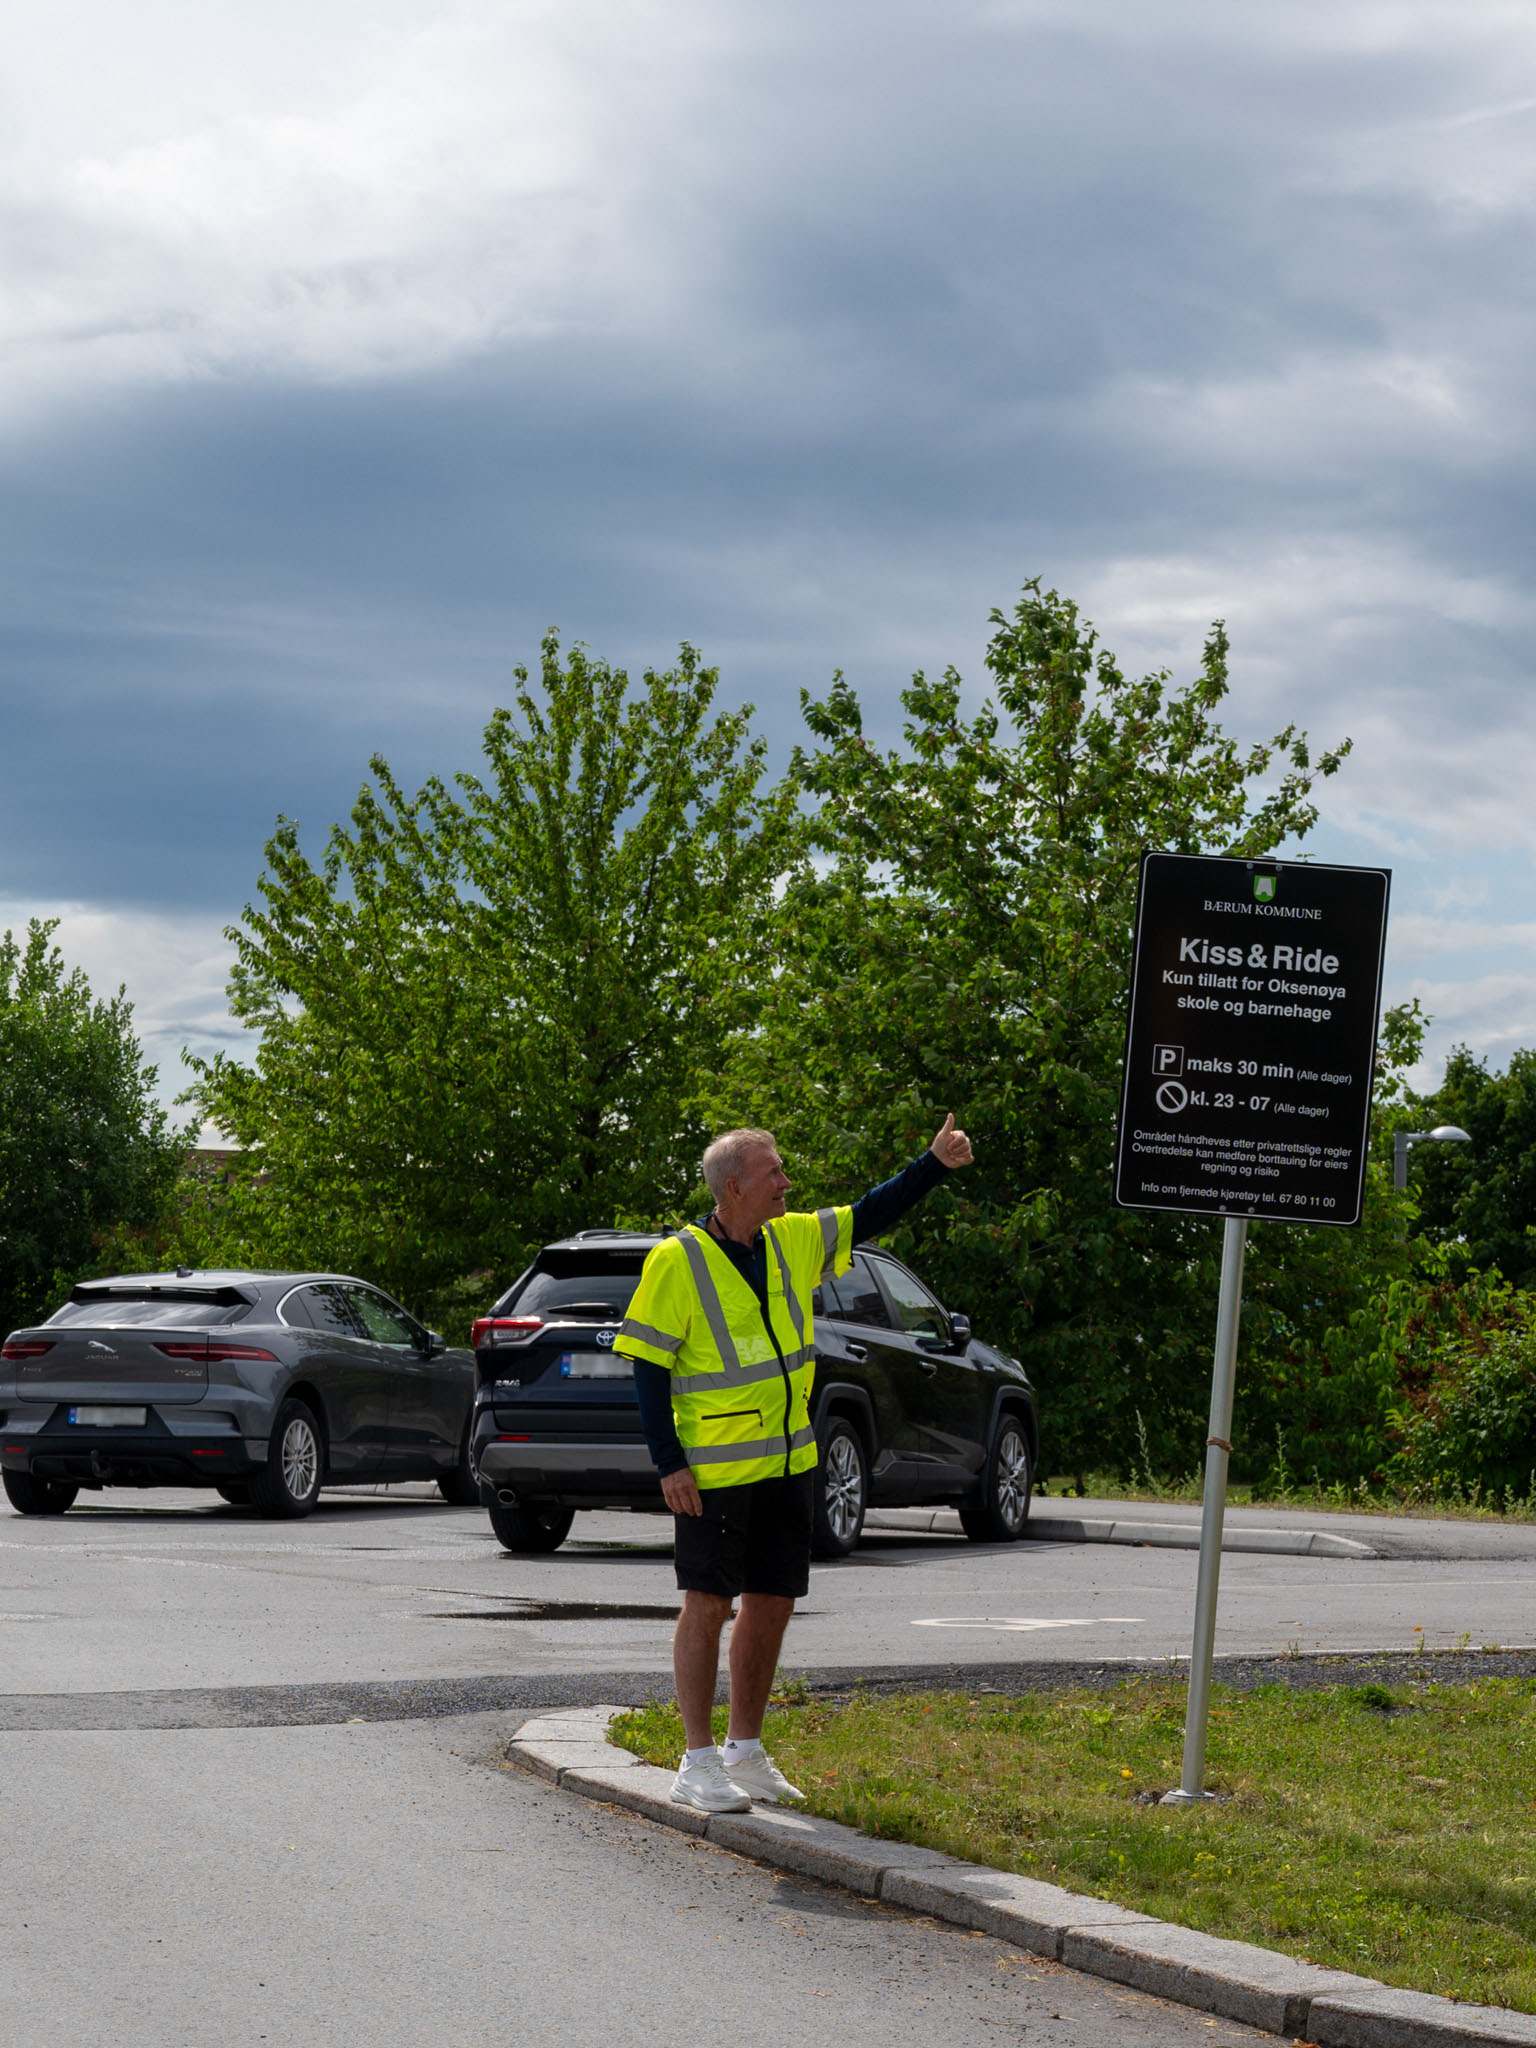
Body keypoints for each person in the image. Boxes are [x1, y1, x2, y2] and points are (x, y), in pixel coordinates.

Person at [615, 1116, 975, 1812]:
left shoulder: (790, 1239)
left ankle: (743, 1753)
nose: (787, 1182)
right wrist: (670, 1464)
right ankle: (695, 1761)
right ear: (734, 1186)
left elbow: (871, 1211)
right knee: (708, 1605)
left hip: (789, 1461)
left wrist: (932, 1163)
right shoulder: (678, 1260)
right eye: (774, 1172)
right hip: (715, 1470)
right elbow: (648, 1369)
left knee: (773, 1603)